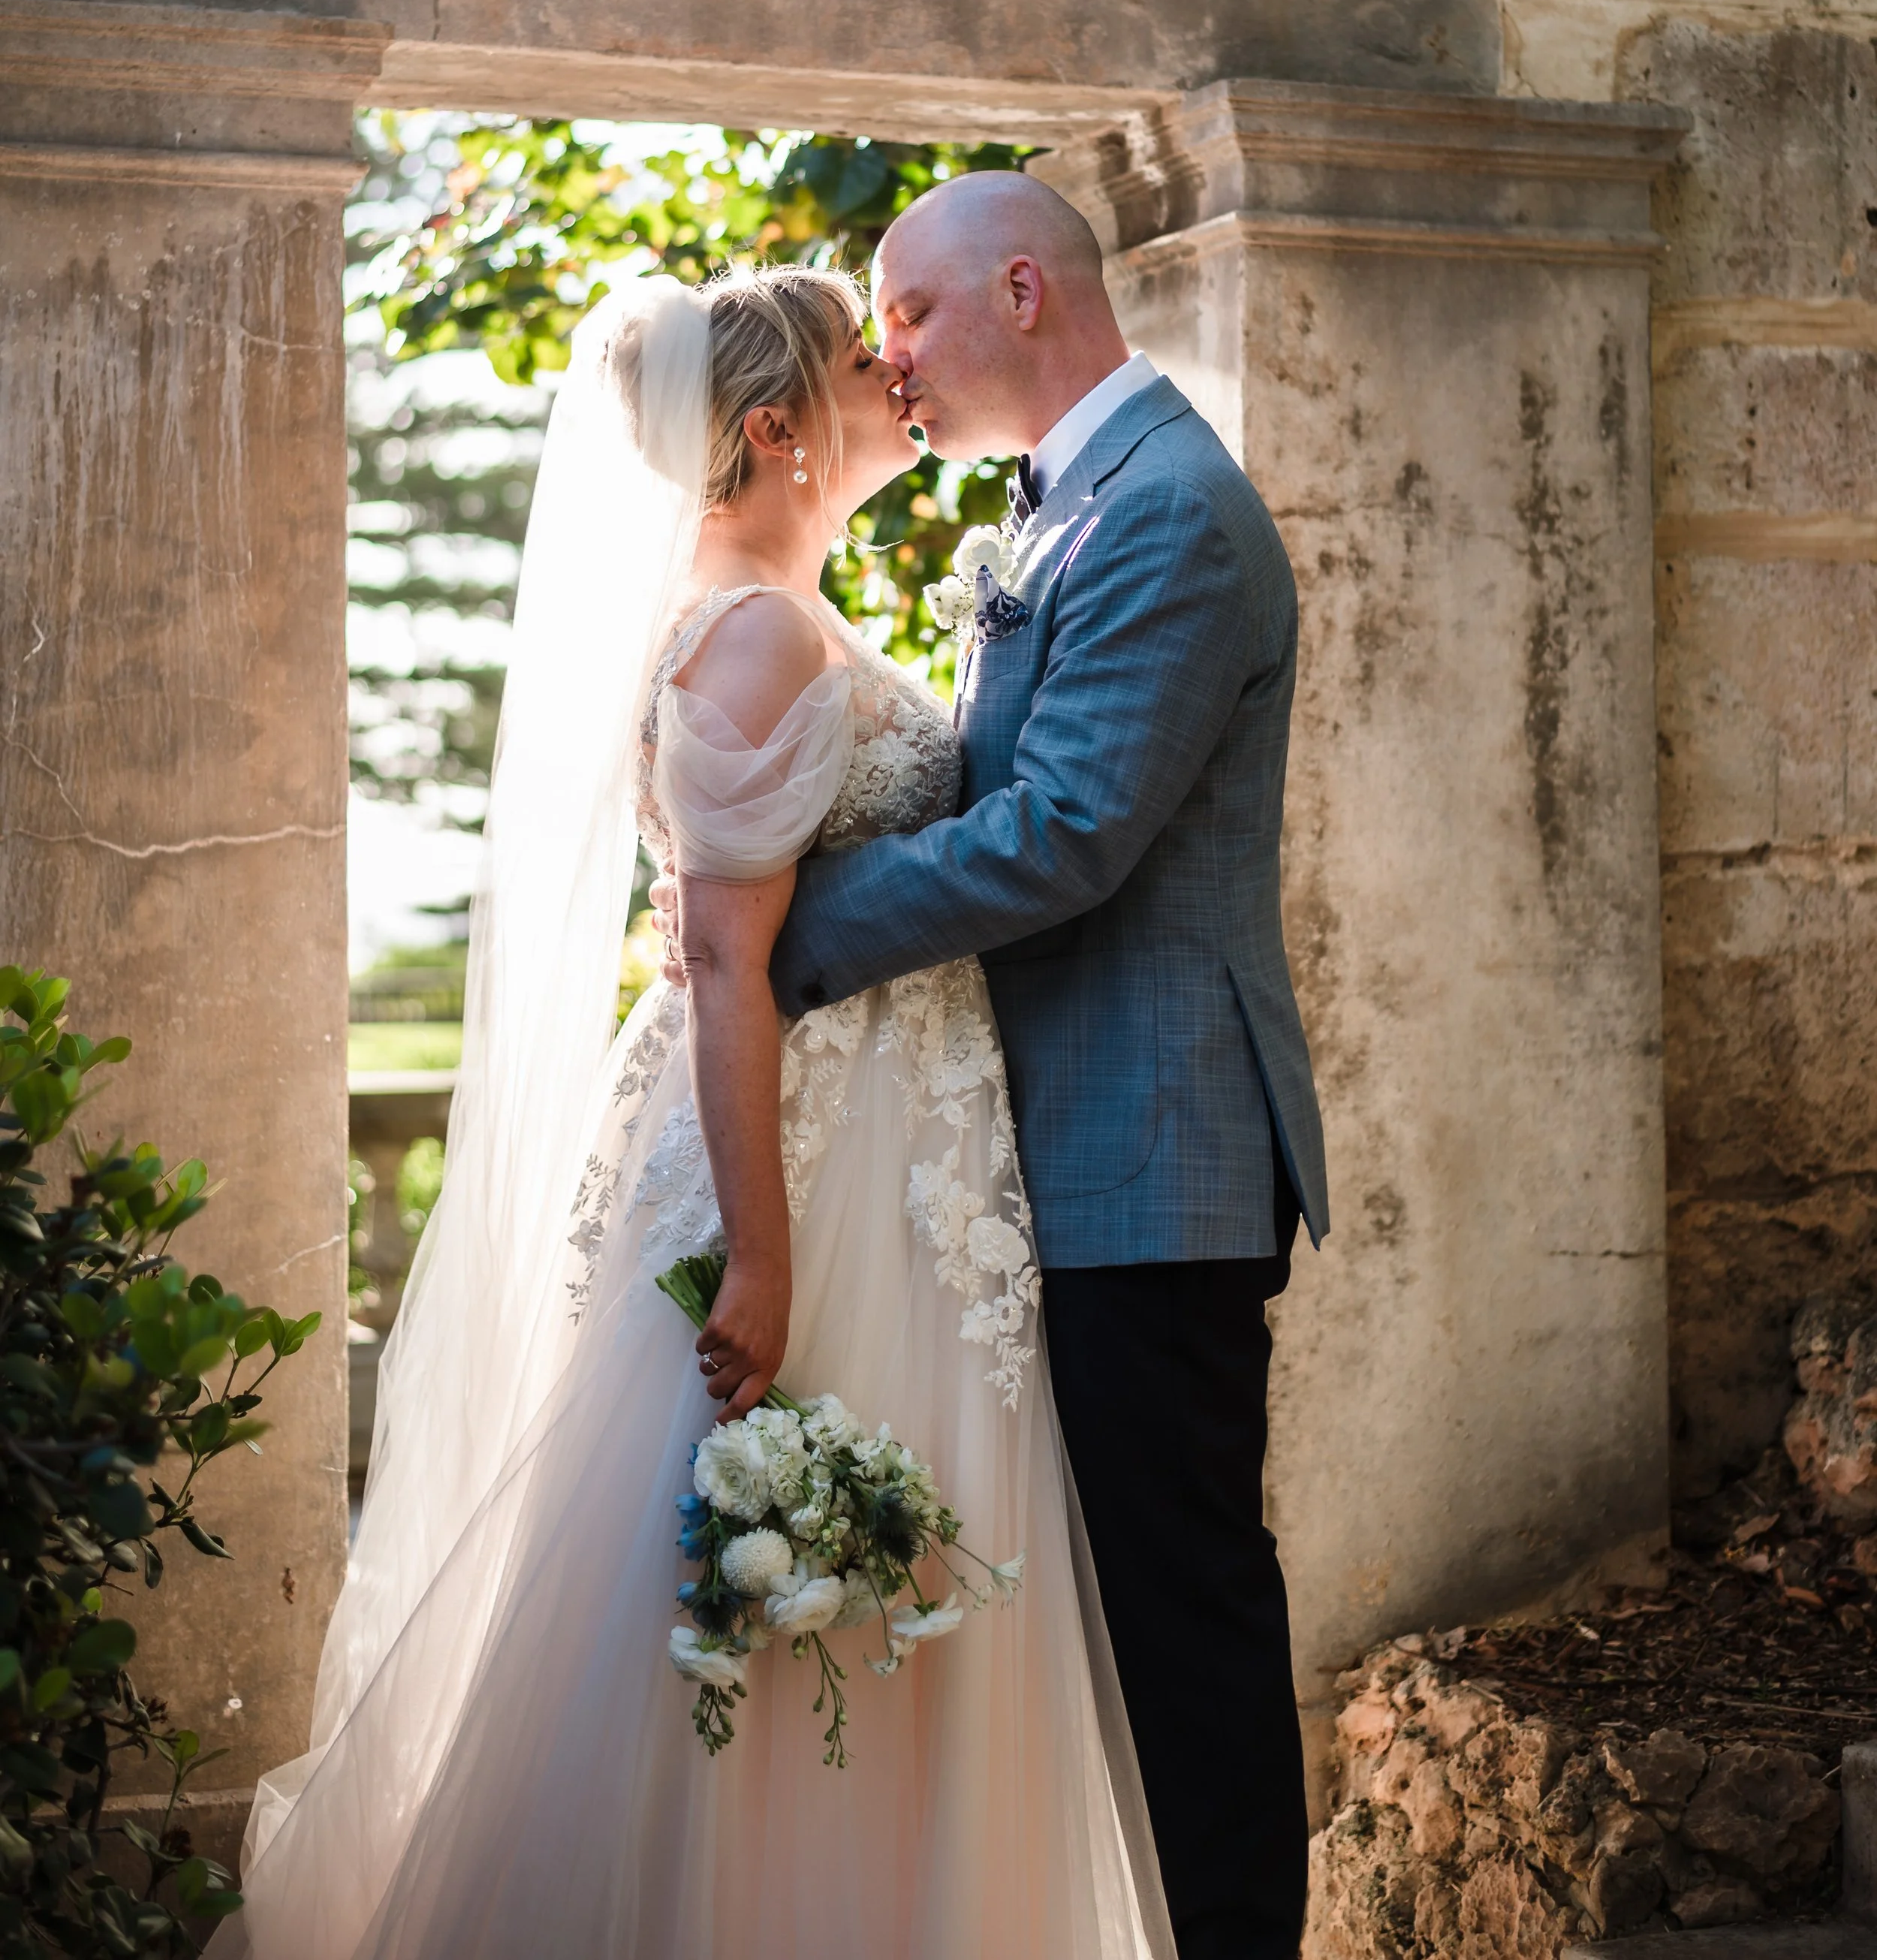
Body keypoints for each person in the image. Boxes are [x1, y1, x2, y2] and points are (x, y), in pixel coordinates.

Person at [212, 259, 1177, 1960]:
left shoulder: (781, 610)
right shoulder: (749, 639)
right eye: (857, 361)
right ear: (773, 426)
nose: (896, 372)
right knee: (764, 1598)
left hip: (897, 1159)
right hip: (803, 1168)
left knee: (882, 1605)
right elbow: (729, 972)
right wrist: (763, 1257)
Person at [664, 173, 1330, 1959]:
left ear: (1021, 289)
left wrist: (781, 939)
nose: (889, 358)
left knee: (1176, 1624)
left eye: (912, 314)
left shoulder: (1169, 511)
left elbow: (1065, 834)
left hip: (1151, 1154)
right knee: (1091, 1640)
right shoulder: (1065, 506)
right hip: (1038, 1164)